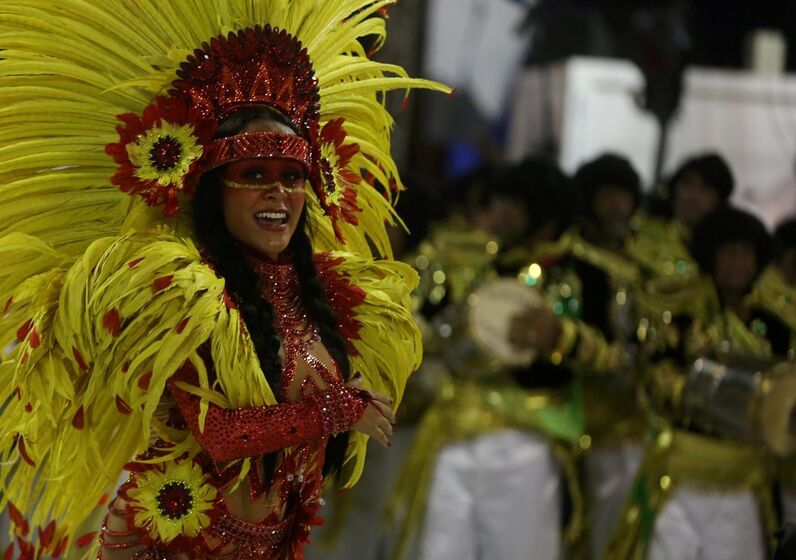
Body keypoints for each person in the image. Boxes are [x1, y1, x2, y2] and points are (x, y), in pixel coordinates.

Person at [0, 1, 448, 558]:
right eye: (253, 175)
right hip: (166, 547)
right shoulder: (182, 290)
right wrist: (336, 410)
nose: (277, 193)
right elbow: (218, 434)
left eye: (291, 177)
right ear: (215, 189)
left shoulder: (329, 296)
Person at [386, 156, 586, 560]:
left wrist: (562, 336)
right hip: (452, 434)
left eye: (514, 204)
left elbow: (609, 358)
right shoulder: (466, 261)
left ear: (541, 213)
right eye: (501, 202)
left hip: (524, 445)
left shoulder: (572, 274)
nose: (501, 213)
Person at [605, 206, 786, 560]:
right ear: (710, 257)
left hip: (743, 482)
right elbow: (656, 381)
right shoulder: (680, 314)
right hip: (679, 478)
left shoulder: (777, 327)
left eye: (746, 253)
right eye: (728, 252)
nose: (737, 262)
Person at [628, 152, 735, 280]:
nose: (692, 196)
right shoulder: (640, 229)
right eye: (687, 183)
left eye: (704, 188)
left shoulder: (726, 249)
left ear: (718, 200)